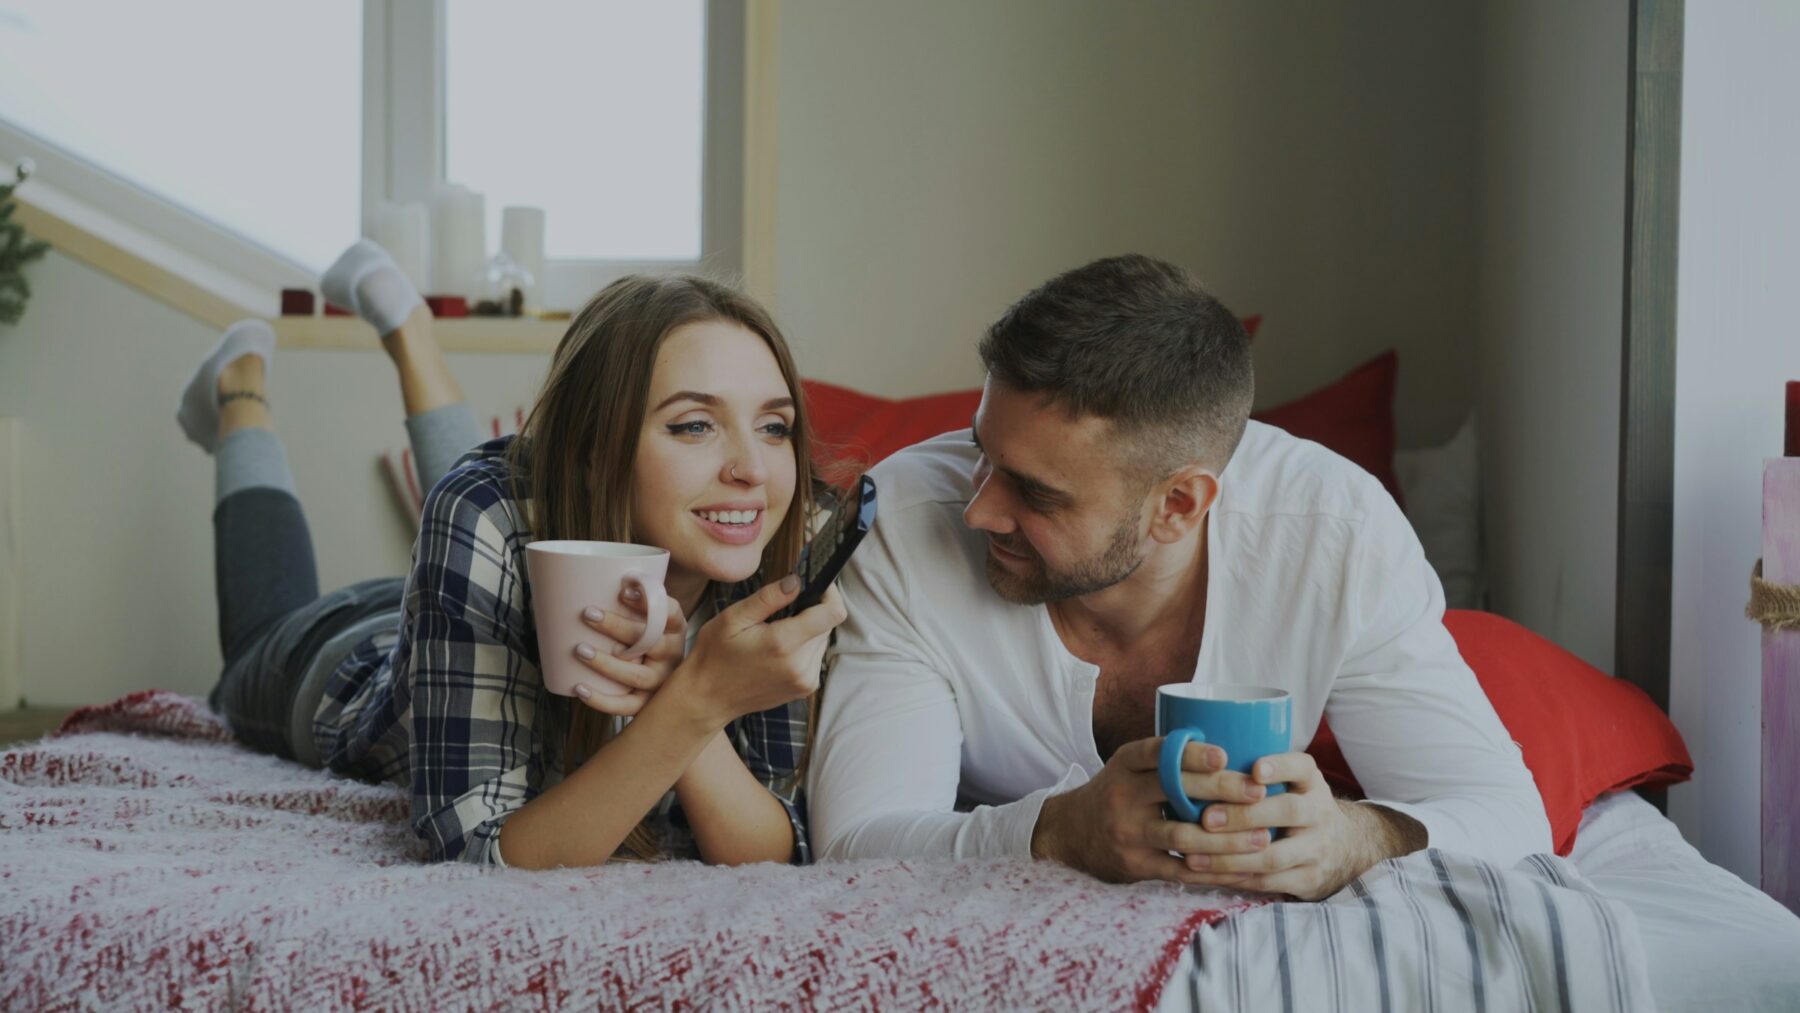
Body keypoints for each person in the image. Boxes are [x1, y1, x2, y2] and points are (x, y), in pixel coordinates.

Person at [807, 254, 1551, 900]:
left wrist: (1350, 839)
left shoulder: (1335, 534)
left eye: (1035, 492)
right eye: (982, 452)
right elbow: (855, 845)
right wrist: (1059, 829)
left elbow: (1509, 817)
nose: (978, 510)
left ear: (1177, 504)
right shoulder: (905, 524)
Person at [182, 241, 845, 869]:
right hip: (342, 654)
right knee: (258, 639)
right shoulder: (481, 511)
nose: (753, 470)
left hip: (476, 590)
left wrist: (685, 698)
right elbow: (476, 852)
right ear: (595, 449)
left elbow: (775, 843)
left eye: (774, 426)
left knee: (515, 505)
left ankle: (410, 331)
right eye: (694, 424)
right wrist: (693, 700)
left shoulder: (793, 539)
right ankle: (241, 393)